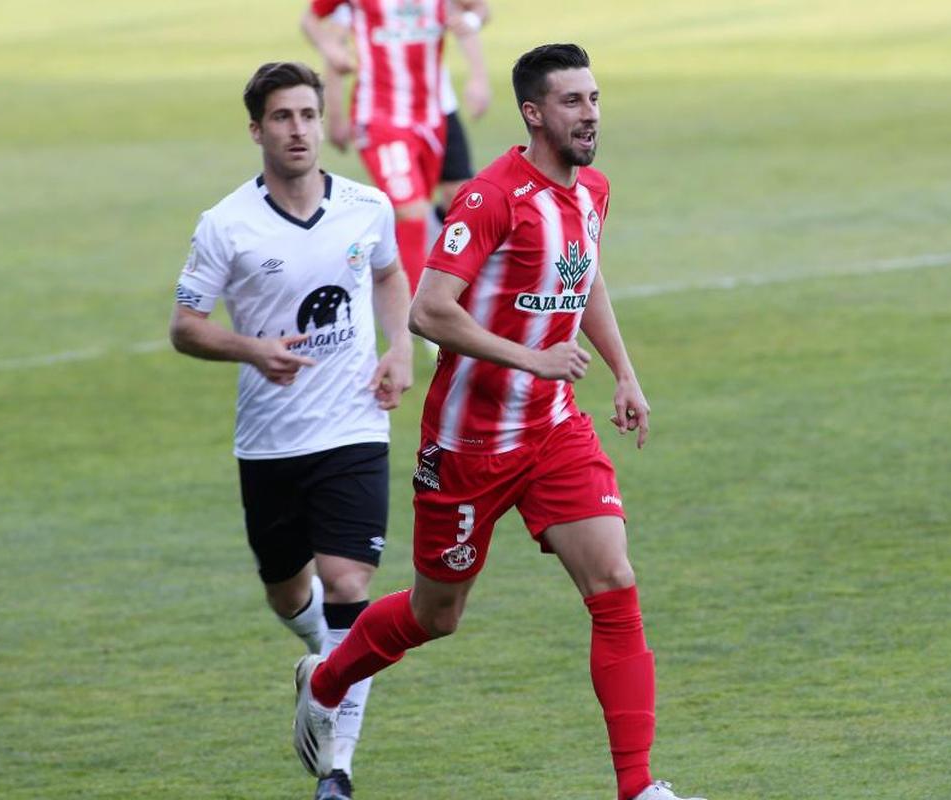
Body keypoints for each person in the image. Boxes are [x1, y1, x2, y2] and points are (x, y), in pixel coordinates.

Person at [291, 44, 706, 800]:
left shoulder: (593, 192)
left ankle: (639, 788)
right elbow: (428, 310)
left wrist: (624, 372)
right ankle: (324, 681)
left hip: (553, 431)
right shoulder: (490, 199)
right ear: (534, 113)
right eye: (574, 102)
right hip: (466, 446)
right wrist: (530, 357)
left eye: (594, 98)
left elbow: (586, 278)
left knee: (614, 580)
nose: (590, 115)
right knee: (435, 614)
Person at [168, 61, 412, 800]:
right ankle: (321, 659)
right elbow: (185, 327)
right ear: (257, 130)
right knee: (287, 592)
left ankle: (337, 768)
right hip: (271, 440)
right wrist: (251, 349)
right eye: (282, 117)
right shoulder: (226, 225)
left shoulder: (367, 206)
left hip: (355, 426)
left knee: (348, 580)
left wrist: (399, 347)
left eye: (308, 114)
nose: (299, 129)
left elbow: (392, 276)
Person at [301, 0, 491, 296]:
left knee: (453, 202)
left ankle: (408, 280)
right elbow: (316, 25)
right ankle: (423, 317)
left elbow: (475, 10)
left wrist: (478, 75)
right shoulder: (352, 7)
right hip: (381, 118)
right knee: (411, 210)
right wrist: (335, 109)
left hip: (433, 116)